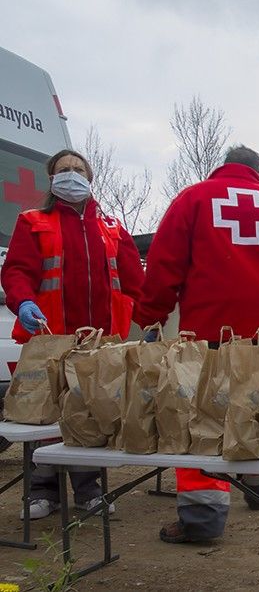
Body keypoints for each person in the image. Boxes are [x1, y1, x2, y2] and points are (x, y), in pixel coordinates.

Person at [134, 145, 259, 544]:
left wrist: (150, 316)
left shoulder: (193, 198)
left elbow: (164, 262)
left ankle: (202, 519)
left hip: (210, 335)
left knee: (205, 421)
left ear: (222, 166)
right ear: (258, 170)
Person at [1, 148, 144, 519]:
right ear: (51, 178)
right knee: (44, 416)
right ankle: (41, 491)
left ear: (90, 178)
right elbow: (16, 271)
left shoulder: (112, 229)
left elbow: (137, 283)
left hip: (98, 343)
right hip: (48, 337)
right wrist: (23, 302)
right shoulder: (33, 221)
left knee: (89, 413)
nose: (70, 174)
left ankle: (88, 489)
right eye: (63, 169)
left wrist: (154, 321)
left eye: (77, 169)